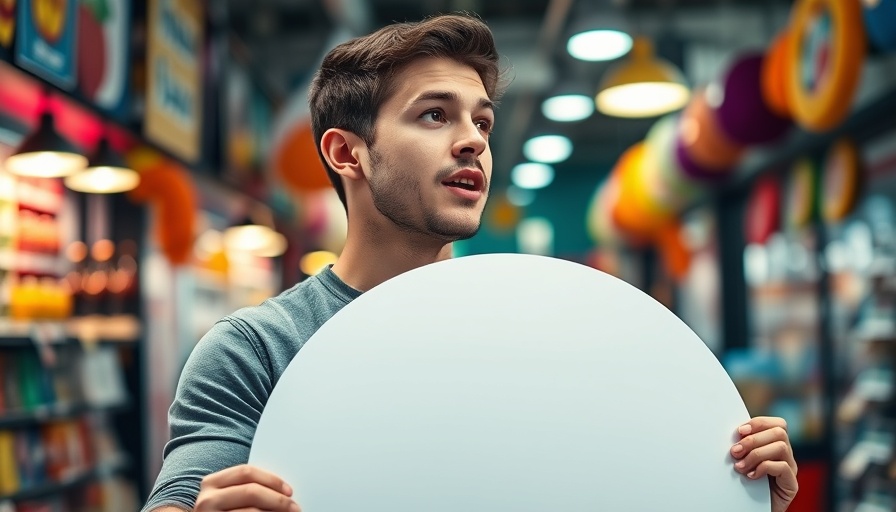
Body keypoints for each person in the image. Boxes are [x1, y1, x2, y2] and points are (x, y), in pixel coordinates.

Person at [142, 13, 799, 512]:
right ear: (348, 154)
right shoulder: (254, 351)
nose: (472, 143)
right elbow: (179, 499)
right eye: (434, 115)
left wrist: (729, 485)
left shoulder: (553, 328)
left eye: (483, 124)